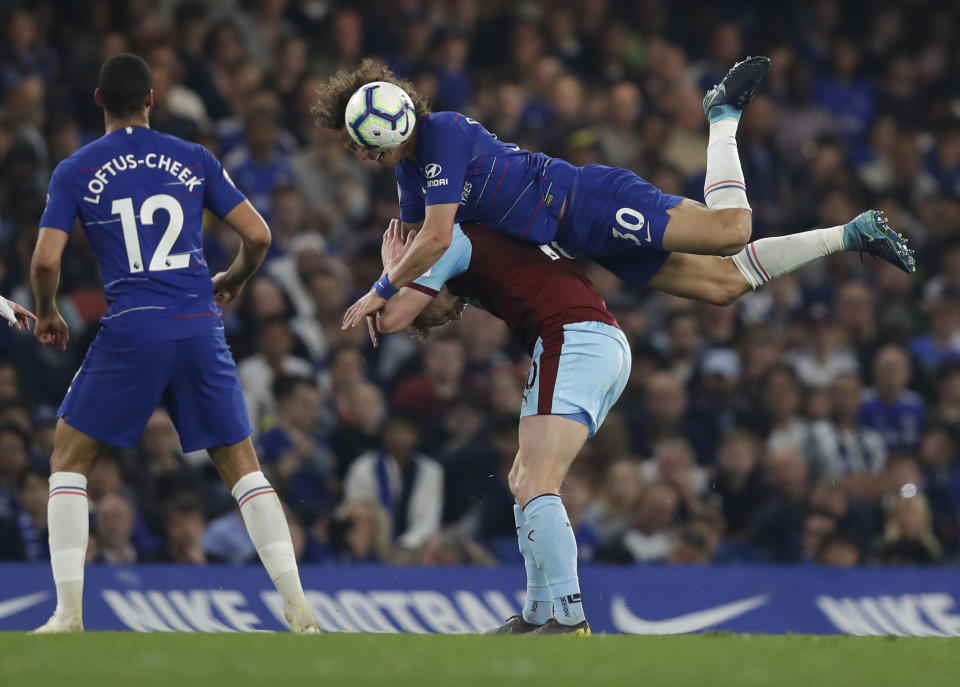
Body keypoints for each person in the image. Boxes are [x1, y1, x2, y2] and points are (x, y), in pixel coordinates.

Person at [28, 54, 317, 633]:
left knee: (68, 460)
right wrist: (232, 279)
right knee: (243, 468)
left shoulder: (76, 168)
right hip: (198, 325)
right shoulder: (194, 157)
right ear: (152, 98)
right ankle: (299, 607)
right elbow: (258, 235)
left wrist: (46, 314)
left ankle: (68, 613)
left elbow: (44, 260)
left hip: (133, 327)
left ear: (98, 100)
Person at [310, 59, 916, 331]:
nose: (368, 158)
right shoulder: (410, 174)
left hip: (586, 201)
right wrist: (396, 279)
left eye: (371, 149)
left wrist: (381, 286)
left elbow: (437, 239)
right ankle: (853, 232)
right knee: (725, 287)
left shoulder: (440, 132)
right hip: (582, 237)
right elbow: (427, 252)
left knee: (732, 231)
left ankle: (722, 113)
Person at [372, 221, 633, 635]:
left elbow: (390, 317)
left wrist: (393, 274)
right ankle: (537, 612)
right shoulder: (476, 255)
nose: (446, 316)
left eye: (431, 312)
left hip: (574, 338)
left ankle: (570, 617)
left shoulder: (450, 242)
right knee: (522, 479)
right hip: (586, 340)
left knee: (537, 483)